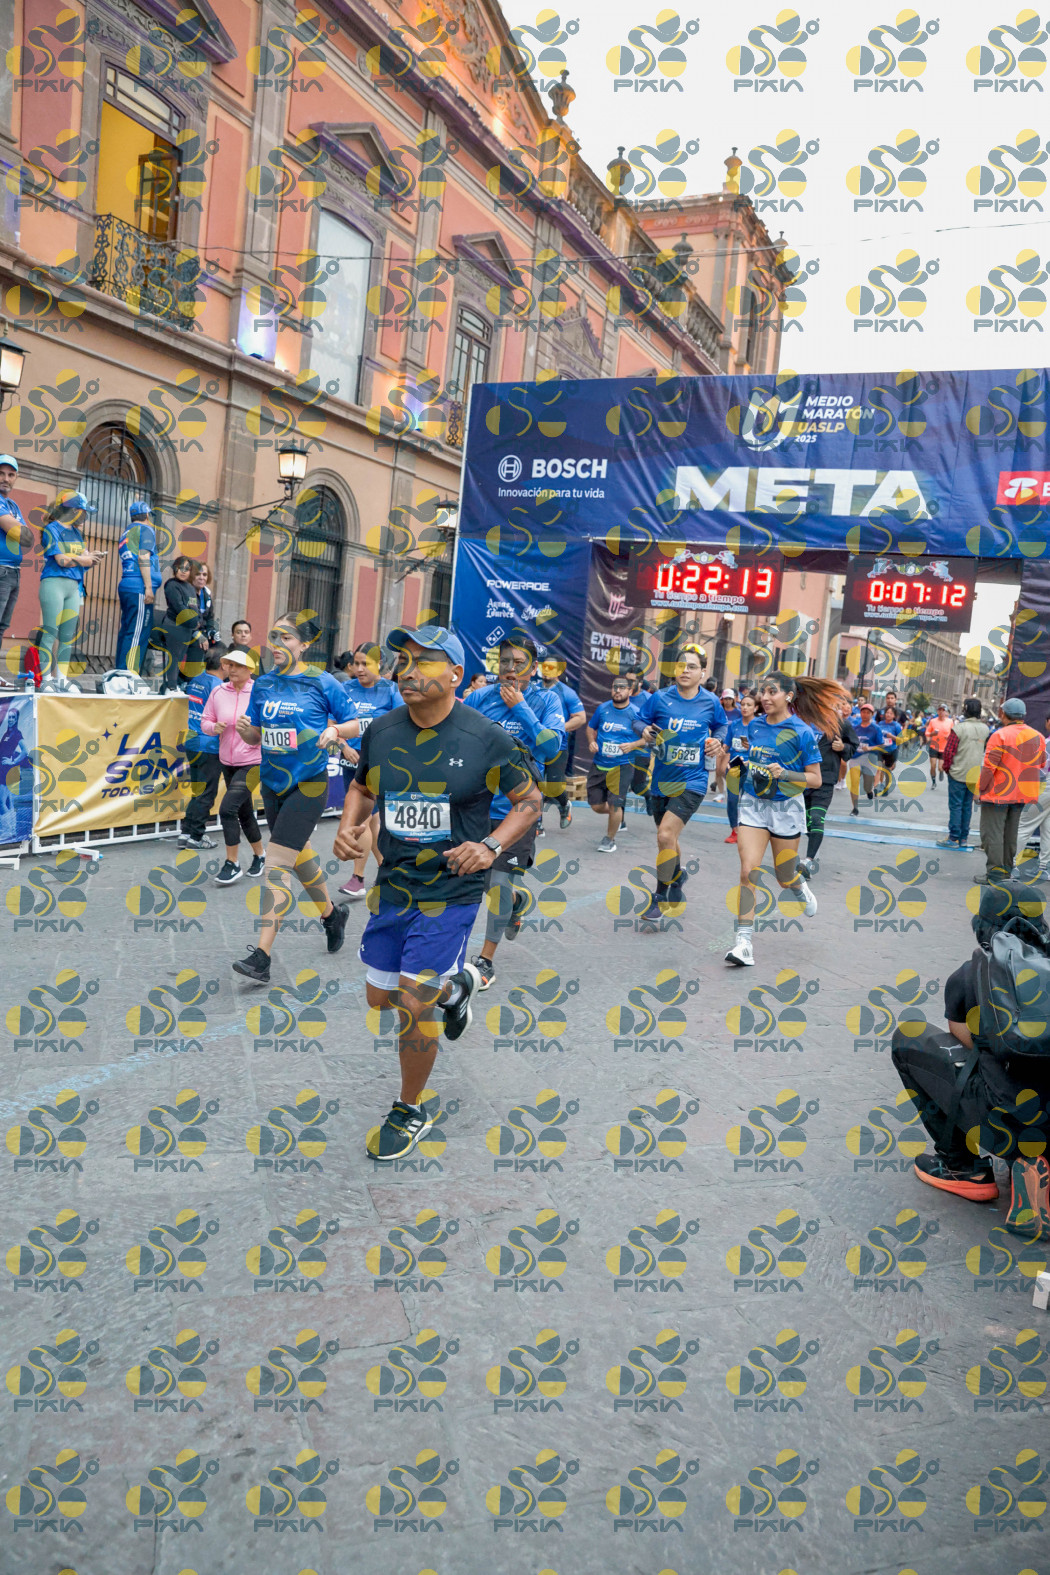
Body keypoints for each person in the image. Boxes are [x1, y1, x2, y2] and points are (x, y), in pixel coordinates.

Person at [334, 624, 541, 1159]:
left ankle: (410, 1109)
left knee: (412, 1002)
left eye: (424, 661)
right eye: (403, 661)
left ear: (455, 675)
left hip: (452, 890)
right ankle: (457, 990)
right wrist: (350, 825)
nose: (408, 671)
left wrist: (491, 846)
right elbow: (361, 787)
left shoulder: (486, 737)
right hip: (395, 884)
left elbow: (529, 801)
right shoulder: (382, 731)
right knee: (379, 998)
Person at [892, 880, 1050, 1222]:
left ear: (981, 926)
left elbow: (965, 1039)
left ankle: (962, 1167)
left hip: (1004, 1122)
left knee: (909, 1037)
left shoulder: (972, 973)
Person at [230, 612, 355, 982]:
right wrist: (247, 731)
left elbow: (353, 721)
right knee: (299, 858)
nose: (278, 644)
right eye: (275, 636)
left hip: (309, 783)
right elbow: (256, 736)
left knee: (276, 865)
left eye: (287, 638)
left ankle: (262, 956)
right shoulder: (264, 684)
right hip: (273, 784)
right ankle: (332, 916)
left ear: (303, 644)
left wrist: (335, 732)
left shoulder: (321, 681)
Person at [462, 633, 564, 989]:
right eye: (504, 661)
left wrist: (521, 708)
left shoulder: (546, 699)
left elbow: (551, 749)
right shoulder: (479, 698)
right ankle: (518, 901)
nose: (510, 669)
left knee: (499, 884)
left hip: (519, 809)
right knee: (479, 880)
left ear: (533, 668)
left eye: (519, 663)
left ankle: (486, 960)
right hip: (476, 805)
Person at [725, 673, 846, 968]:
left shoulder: (802, 732)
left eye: (772, 692)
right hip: (754, 805)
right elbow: (751, 759)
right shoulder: (754, 726)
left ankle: (798, 886)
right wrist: (739, 764)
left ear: (788, 696)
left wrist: (786, 774)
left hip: (786, 808)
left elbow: (815, 779)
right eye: (762, 692)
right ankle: (743, 944)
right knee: (748, 872)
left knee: (784, 876)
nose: (765, 697)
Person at [632, 645, 728, 921]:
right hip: (662, 781)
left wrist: (718, 740)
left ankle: (659, 897)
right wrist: (644, 730)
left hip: (693, 780)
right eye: (681, 666)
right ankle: (677, 877)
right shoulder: (660, 698)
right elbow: (638, 721)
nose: (685, 671)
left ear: (703, 672)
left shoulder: (711, 702)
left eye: (692, 667)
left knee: (664, 836)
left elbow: (722, 726)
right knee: (669, 838)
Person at [336, 642, 405, 900]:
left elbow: (402, 725)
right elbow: (333, 723)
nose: (360, 668)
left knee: (362, 820)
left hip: (378, 766)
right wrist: (343, 746)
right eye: (356, 663)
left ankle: (358, 878)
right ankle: (390, 871)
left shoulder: (390, 690)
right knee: (373, 823)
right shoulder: (346, 689)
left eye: (366, 664)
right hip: (350, 764)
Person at [200, 647, 265, 884]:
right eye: (230, 665)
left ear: (250, 669)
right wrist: (213, 728)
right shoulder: (218, 691)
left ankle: (232, 863)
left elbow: (270, 723)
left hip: (252, 762)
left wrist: (255, 731)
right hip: (227, 761)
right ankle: (261, 855)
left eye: (238, 666)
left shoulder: (259, 692)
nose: (232, 669)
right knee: (244, 811)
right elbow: (205, 721)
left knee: (227, 809)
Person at [976, 697, 1046, 884]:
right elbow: (1041, 764)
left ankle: (995, 874)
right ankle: (1007, 871)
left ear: (1003, 714)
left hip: (997, 794)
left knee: (992, 834)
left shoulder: (1000, 735)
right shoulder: (1038, 737)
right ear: (1023, 715)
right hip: (1022, 794)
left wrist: (980, 789)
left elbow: (989, 767)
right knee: (1010, 834)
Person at [38, 492, 103, 692]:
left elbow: (82, 559)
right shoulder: (52, 529)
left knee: (67, 636)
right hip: (54, 583)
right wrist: (84, 559)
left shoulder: (76, 533)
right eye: (84, 512)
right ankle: (46, 679)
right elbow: (61, 560)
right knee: (50, 632)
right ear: (74, 511)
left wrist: (92, 558)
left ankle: (61, 679)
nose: (86, 516)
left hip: (73, 586)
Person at [799, 695, 858, 878]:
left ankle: (808, 861)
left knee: (817, 818)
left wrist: (843, 748)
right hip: (802, 778)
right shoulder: (804, 720)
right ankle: (814, 848)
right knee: (805, 822)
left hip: (825, 778)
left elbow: (853, 745)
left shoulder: (841, 724)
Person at [585, 674, 645, 852]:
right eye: (614, 687)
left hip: (622, 766)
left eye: (622, 688)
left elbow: (648, 738)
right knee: (596, 806)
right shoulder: (602, 709)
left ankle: (609, 839)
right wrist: (591, 742)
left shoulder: (636, 713)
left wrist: (632, 745)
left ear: (630, 691)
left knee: (615, 804)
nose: (617, 691)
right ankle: (617, 814)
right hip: (600, 764)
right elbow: (590, 727)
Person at [178, 649, 224, 851]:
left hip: (192, 741)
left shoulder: (196, 680)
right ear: (223, 665)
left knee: (198, 791)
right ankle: (196, 836)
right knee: (206, 793)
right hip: (209, 744)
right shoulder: (219, 687)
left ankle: (186, 834)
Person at [539, 655, 585, 831]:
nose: (546, 671)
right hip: (536, 746)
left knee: (553, 787)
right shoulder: (534, 689)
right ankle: (537, 824)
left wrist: (557, 728)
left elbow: (580, 718)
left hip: (558, 747)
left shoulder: (567, 693)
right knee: (534, 785)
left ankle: (565, 805)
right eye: (544, 667)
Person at [115, 500, 162, 676]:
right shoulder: (146, 530)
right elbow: (143, 557)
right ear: (147, 515)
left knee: (128, 630)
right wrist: (148, 587)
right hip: (139, 587)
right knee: (138, 631)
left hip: (128, 585)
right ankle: (128, 674)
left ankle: (121, 672)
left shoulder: (127, 532)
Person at [938, 696, 988, 852]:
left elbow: (949, 752)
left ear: (965, 710)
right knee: (967, 807)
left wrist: (947, 768)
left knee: (956, 806)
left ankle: (953, 837)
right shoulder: (985, 729)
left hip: (958, 773)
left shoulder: (959, 728)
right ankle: (964, 838)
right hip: (974, 773)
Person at [0, 455, 34, 658]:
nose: (6, 478)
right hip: (1, 569)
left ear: (16, 477)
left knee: (2, 626)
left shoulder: (12, 505)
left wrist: (17, 527)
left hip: (13, 572)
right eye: (1, 473)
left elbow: (28, 539)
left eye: (11, 475)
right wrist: (17, 527)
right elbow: (21, 533)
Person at [720, 690, 758, 846]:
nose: (745, 708)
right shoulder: (734, 725)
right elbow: (726, 746)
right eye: (743, 704)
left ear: (755, 708)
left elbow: (766, 748)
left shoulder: (760, 725)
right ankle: (734, 831)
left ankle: (751, 832)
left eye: (749, 705)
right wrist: (718, 752)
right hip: (735, 767)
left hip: (753, 767)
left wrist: (752, 750)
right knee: (732, 800)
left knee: (750, 801)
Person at [159, 556, 201, 693]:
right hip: (174, 625)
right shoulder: (171, 585)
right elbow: (179, 607)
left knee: (182, 656)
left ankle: (178, 684)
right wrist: (194, 622)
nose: (183, 571)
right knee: (175, 656)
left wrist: (197, 620)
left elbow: (194, 607)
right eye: (180, 568)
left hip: (187, 627)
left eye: (187, 569)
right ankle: (171, 686)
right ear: (175, 568)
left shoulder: (190, 588)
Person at [847, 700, 883, 816]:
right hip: (856, 757)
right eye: (863, 712)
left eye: (868, 713)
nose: (865, 715)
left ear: (872, 714)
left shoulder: (876, 728)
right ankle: (855, 808)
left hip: (870, 757)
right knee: (854, 783)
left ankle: (869, 791)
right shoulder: (855, 727)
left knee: (867, 785)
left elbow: (882, 745)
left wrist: (870, 748)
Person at [925, 703, 953, 787]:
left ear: (946, 712)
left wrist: (949, 737)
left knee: (940, 767)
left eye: (943, 710)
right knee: (933, 766)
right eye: (939, 710)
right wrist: (932, 734)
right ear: (937, 711)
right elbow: (927, 733)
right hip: (934, 747)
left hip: (944, 748)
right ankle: (934, 782)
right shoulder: (933, 721)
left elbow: (953, 734)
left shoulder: (950, 722)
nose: (941, 712)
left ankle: (941, 771)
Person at [193, 563, 218, 648]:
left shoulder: (207, 594)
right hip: (190, 632)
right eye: (197, 574)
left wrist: (211, 631)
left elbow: (210, 617)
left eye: (204, 575)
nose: (201, 577)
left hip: (203, 632)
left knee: (220, 647)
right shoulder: (187, 592)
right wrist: (198, 635)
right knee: (200, 647)